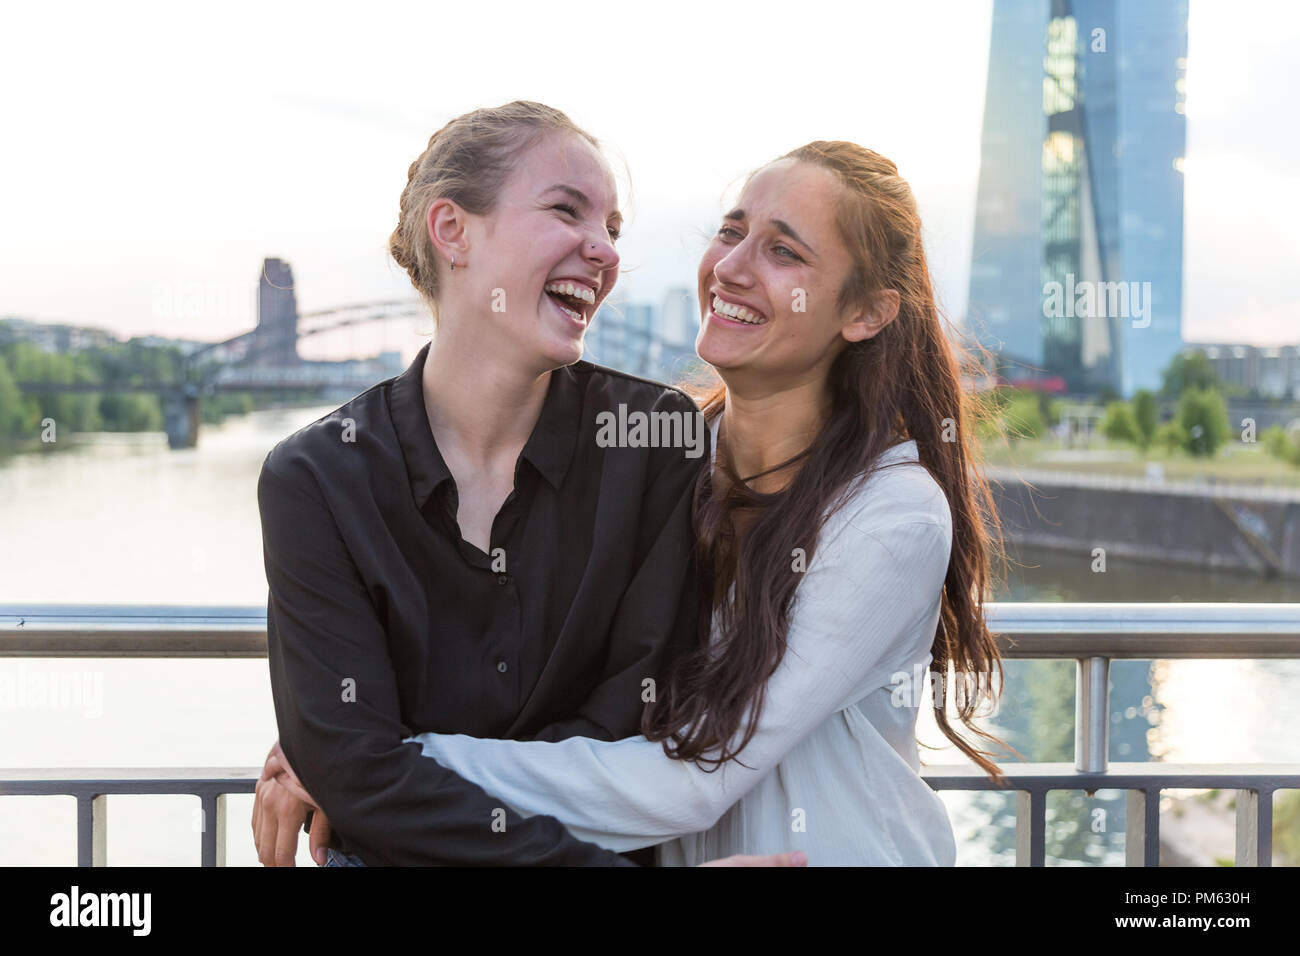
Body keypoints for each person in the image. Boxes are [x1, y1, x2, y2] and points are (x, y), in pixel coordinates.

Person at [361, 141, 1014, 864]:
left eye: (783, 253)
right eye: (732, 232)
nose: (730, 268)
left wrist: (395, 766)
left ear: (864, 313)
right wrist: (342, 747)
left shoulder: (891, 513)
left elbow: (697, 777)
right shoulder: (662, 461)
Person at [251, 100, 803, 868]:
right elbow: (351, 765)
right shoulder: (316, 476)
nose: (604, 252)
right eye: (566, 211)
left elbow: (634, 719)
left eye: (611, 229)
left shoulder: (655, 439)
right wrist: (355, 769)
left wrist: (382, 774)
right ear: (453, 232)